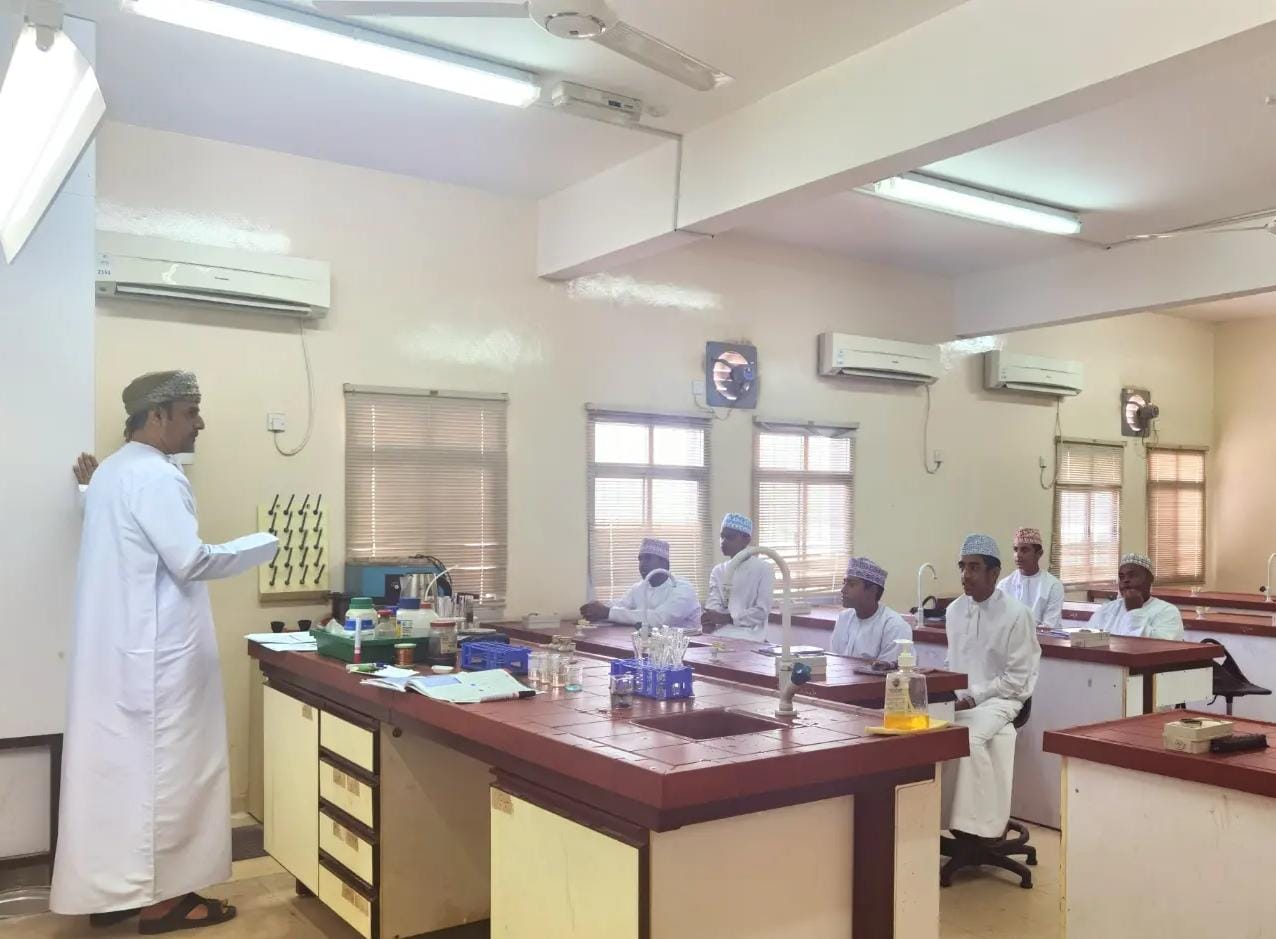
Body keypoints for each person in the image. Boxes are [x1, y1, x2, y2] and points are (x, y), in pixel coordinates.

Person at [51, 371, 278, 933]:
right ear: (157, 416)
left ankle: (113, 892)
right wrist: (263, 543)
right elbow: (191, 560)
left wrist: (86, 491)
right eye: (190, 411)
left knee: (119, 778)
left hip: (119, 658)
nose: (200, 423)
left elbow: (122, 532)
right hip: (160, 663)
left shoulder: (111, 474)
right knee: (170, 779)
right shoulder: (155, 475)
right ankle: (163, 902)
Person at [943, 534, 1041, 839]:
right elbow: (953, 662)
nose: (965, 575)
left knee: (967, 738)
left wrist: (973, 699)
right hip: (962, 698)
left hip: (1004, 699)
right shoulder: (954, 611)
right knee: (932, 734)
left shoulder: (1017, 614)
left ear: (994, 573)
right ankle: (947, 821)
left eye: (974, 567)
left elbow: (1016, 679)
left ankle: (982, 827)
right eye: (962, 567)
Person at [579, 537, 702, 630]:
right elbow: (622, 605)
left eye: (648, 558)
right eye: (640, 559)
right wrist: (598, 609)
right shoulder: (639, 587)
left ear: (664, 563)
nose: (642, 564)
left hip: (689, 648)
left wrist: (607, 612)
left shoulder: (682, 588)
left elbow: (660, 619)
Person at [701, 512, 775, 641]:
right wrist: (709, 619)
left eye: (729, 537)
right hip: (719, 634)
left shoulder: (764, 568)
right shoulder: (718, 570)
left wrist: (729, 618)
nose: (723, 542)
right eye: (722, 536)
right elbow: (714, 603)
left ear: (746, 540)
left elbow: (761, 611)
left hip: (751, 636)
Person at [828, 556, 912, 662]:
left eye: (852, 584)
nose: (843, 590)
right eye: (844, 583)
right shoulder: (844, 618)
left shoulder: (894, 626)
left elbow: (888, 670)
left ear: (872, 590)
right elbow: (835, 661)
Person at [1088, 553, 1185, 640]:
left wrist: (1135, 611)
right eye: (1122, 577)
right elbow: (1087, 639)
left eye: (1132, 576)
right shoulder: (1107, 609)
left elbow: (1157, 647)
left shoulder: (1167, 611)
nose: (1126, 580)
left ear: (1150, 579)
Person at [997, 527, 1064, 628]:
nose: (1018, 555)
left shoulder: (1053, 585)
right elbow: (999, 621)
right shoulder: (1004, 585)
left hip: (1042, 638)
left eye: (1024, 550)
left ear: (1039, 554)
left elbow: (1049, 626)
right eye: (1015, 549)